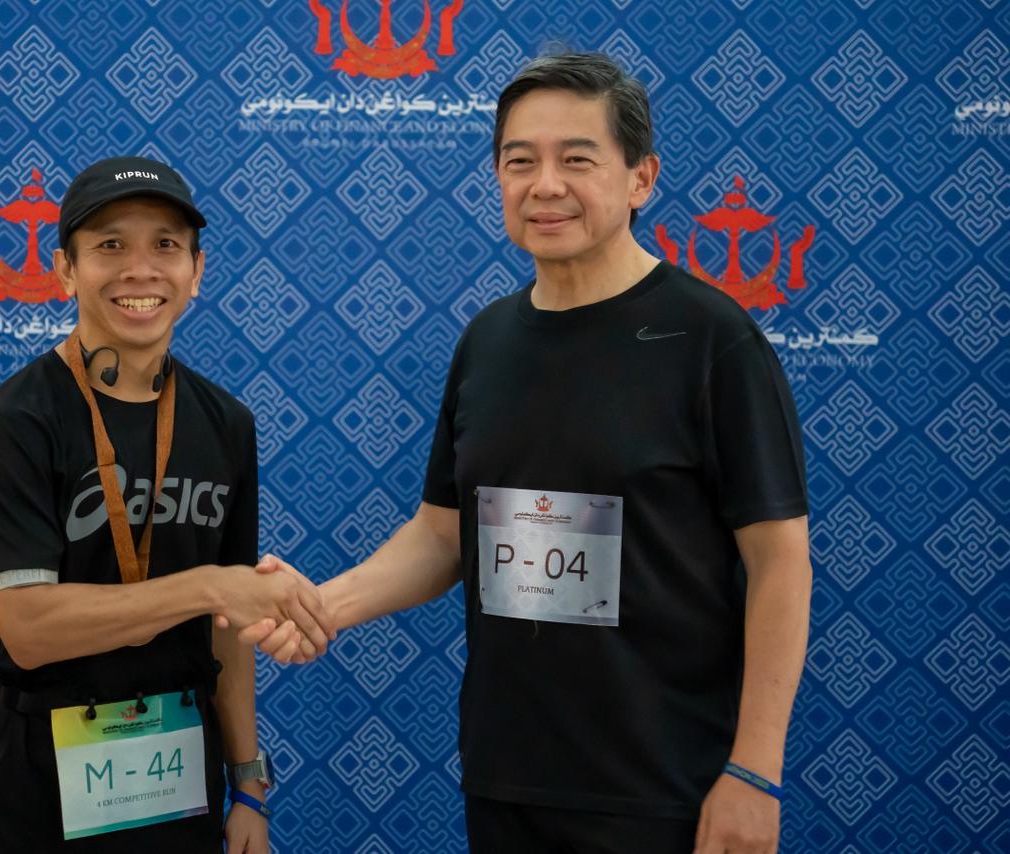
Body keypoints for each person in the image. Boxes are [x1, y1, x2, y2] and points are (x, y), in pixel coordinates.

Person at [248, 54, 811, 854]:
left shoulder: (711, 339)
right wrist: (321, 608)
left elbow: (780, 560)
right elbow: (444, 535)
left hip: (665, 789)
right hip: (506, 779)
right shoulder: (488, 342)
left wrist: (755, 771)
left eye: (576, 159)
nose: (545, 185)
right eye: (520, 162)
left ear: (641, 179)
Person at [0, 156, 333, 852]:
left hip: (181, 773)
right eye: (110, 245)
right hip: (42, 772)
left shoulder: (226, 423)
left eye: (165, 244)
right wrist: (207, 586)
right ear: (66, 270)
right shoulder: (15, 422)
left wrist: (247, 783)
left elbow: (230, 627)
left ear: (197, 270)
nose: (140, 269)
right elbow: (28, 628)